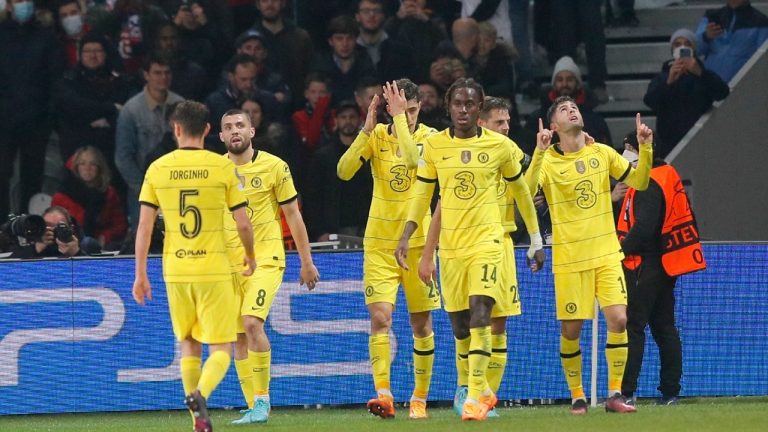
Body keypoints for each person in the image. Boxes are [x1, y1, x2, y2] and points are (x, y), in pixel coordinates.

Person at [397, 78, 543, 421]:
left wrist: (536, 239)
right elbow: (423, 194)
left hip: (488, 241)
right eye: (458, 103)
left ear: (479, 110)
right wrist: (407, 234)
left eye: (470, 104)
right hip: (451, 248)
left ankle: (477, 396)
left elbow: (522, 192)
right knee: (460, 325)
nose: (463, 109)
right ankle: (476, 389)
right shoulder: (434, 147)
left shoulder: (500, 147)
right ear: (448, 107)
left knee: (482, 313)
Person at [524, 96, 655, 415]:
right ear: (554, 126)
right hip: (570, 259)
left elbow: (640, 180)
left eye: (575, 108)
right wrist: (540, 152)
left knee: (620, 319)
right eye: (564, 110)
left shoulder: (602, 152)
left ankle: (614, 394)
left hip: (607, 253)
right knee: (571, 329)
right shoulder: (550, 161)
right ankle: (578, 396)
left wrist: (644, 147)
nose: (572, 111)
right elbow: (526, 191)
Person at [132, 101, 257, 432]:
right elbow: (243, 224)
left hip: (176, 270)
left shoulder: (157, 169)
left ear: (175, 129)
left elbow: (144, 227)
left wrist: (140, 274)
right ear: (206, 130)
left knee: (188, 342)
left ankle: (196, 422)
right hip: (214, 269)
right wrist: (250, 254)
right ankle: (200, 394)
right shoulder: (221, 167)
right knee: (222, 348)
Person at [336, 80, 440, 419]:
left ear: (419, 108)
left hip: (418, 244)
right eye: (400, 111)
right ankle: (384, 395)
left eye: (410, 111)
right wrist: (366, 130)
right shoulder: (377, 136)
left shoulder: (431, 138)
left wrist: (396, 120)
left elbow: (412, 161)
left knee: (420, 324)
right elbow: (344, 171)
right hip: (379, 244)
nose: (406, 117)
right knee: (380, 318)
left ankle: (420, 399)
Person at [218, 109, 319, 424]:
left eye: (240, 125)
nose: (235, 131)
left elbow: (292, 215)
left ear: (251, 130)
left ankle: (262, 402)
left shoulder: (275, 166)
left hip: (266, 259)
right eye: (228, 128)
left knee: (251, 323)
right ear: (220, 136)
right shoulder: (214, 171)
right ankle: (252, 406)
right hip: (227, 264)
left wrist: (306, 261)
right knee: (238, 336)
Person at [617, 137, 706, 406]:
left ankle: (627, 393)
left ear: (642, 151)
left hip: (644, 264)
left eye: (629, 149)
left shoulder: (648, 182)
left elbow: (643, 228)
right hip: (666, 261)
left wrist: (618, 252)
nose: (625, 155)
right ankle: (670, 392)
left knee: (634, 327)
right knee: (664, 327)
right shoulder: (667, 176)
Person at [0, 0, 65, 224]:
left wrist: (47, 116)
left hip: (36, 120)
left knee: (33, 176)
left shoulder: (45, 35)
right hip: (3, 120)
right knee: (1, 174)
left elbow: (55, 78)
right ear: (8, 5)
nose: (23, 4)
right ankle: (2, 226)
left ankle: (28, 226)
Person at [115, 53, 184, 230]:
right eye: (157, 73)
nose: (163, 77)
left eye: (167, 73)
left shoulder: (182, 105)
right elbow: (123, 157)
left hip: (179, 188)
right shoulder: (131, 110)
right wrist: (144, 188)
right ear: (146, 75)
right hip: (143, 191)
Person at [643, 28, 730, 159]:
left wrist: (701, 73)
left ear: (694, 48)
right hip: (670, 142)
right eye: (677, 44)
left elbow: (722, 92)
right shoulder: (662, 77)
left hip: (702, 139)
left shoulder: (704, 75)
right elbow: (650, 101)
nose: (682, 47)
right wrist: (669, 82)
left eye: (687, 44)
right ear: (672, 49)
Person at [306, 100, 371, 241]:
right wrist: (318, 232)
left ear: (360, 120)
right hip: (333, 228)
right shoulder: (323, 156)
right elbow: (313, 197)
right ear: (336, 120)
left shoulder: (370, 153)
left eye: (352, 117)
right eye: (343, 117)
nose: (348, 121)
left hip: (367, 226)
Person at [525, 56, 612, 151]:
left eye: (569, 79)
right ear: (553, 84)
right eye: (560, 80)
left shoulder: (596, 122)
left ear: (578, 83)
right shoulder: (537, 120)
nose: (564, 84)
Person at [51, 146, 128, 251]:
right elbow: (54, 227)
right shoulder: (62, 196)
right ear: (76, 167)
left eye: (93, 164)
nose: (87, 168)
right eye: (82, 164)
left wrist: (105, 236)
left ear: (99, 167)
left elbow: (120, 225)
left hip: (102, 247)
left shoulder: (109, 193)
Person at [251, 0, 313, 109]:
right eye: (265, 0)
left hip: (297, 106)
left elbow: (309, 72)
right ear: (258, 4)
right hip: (260, 107)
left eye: (274, 0)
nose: (270, 4)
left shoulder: (300, 37)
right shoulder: (250, 41)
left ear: (283, 3)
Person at [695, 0, 768, 83]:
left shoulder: (762, 23)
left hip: (740, 88)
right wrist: (705, 36)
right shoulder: (712, 16)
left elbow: (762, 63)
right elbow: (694, 50)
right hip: (709, 86)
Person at [311, 15, 377, 104]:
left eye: (349, 38)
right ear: (331, 41)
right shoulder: (320, 68)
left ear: (356, 40)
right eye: (339, 39)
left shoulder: (367, 66)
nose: (345, 44)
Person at [355, 0, 414, 82]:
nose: (372, 15)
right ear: (357, 16)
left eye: (377, 11)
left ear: (383, 16)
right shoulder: (350, 50)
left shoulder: (401, 51)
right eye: (366, 11)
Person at [9, 206, 83, 258]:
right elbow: (10, 267)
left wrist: (76, 253)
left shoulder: (82, 244)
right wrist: (37, 247)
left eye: (59, 226)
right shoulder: (33, 246)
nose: (52, 230)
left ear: (71, 228)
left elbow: (91, 273)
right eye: (48, 225)